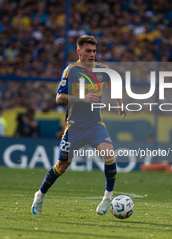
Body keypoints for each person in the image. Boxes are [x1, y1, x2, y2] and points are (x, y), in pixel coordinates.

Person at [31, 35, 126, 215]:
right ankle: (40, 195)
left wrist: (119, 103)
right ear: (79, 51)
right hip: (74, 127)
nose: (92, 54)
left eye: (94, 51)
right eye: (88, 51)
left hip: (95, 125)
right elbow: (59, 98)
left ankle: (107, 196)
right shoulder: (71, 71)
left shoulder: (103, 70)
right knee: (61, 167)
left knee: (109, 154)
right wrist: (82, 98)